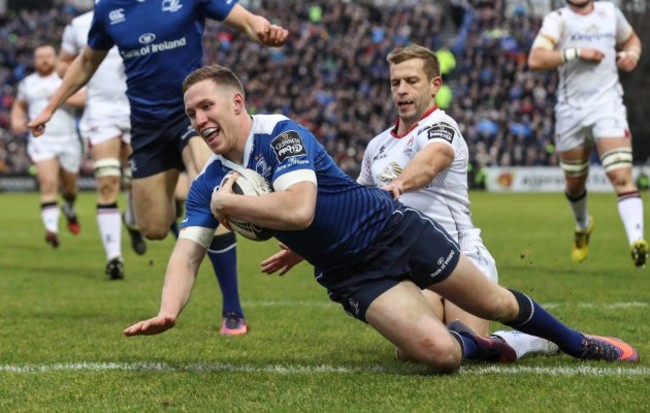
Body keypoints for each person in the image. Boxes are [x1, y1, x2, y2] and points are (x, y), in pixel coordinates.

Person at [123, 65, 639, 372]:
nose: (199, 120)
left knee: (498, 302)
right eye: (191, 114)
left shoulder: (281, 134)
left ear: (236, 102)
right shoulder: (213, 180)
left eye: (206, 107)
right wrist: (169, 310)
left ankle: (576, 342)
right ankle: (485, 347)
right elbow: (187, 252)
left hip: (390, 228)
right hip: (351, 275)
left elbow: (300, 209)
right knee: (441, 356)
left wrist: (232, 207)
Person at [27, 1, 288, 334]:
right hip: (146, 127)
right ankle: (135, 215)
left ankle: (232, 311)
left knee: (216, 195)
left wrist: (262, 30)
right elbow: (87, 61)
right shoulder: (108, 9)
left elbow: (245, 20)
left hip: (191, 115)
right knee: (154, 227)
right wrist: (51, 108)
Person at [357, 44, 555, 360]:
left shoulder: (441, 126)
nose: (402, 90)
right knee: (412, 352)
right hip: (417, 267)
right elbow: (356, 204)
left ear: (435, 85)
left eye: (412, 81)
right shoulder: (376, 146)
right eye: (396, 83)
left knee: (472, 344)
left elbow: (433, 159)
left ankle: (525, 339)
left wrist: (399, 184)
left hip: (463, 259)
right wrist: (301, 248)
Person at [527, 0, 647, 267]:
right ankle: (582, 225)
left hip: (608, 106)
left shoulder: (610, 13)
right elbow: (536, 59)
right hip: (571, 112)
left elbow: (632, 41)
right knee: (574, 184)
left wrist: (633, 55)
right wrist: (577, 52)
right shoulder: (558, 19)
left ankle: (637, 241)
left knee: (620, 175)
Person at [59, 10, 146, 280]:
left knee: (137, 180)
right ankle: (114, 258)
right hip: (100, 111)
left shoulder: (142, 14)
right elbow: (63, 64)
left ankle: (131, 220)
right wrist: (80, 84)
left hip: (138, 108)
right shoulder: (78, 24)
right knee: (107, 180)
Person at [10, 44, 85, 249]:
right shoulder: (28, 83)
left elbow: (85, 99)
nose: (44, 60)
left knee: (70, 189)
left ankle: (69, 208)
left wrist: (59, 97)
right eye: (40, 56)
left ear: (55, 58)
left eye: (48, 56)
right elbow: (20, 104)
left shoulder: (66, 79)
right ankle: (51, 230)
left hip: (68, 139)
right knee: (48, 184)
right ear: (34, 60)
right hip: (42, 140)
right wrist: (17, 119)